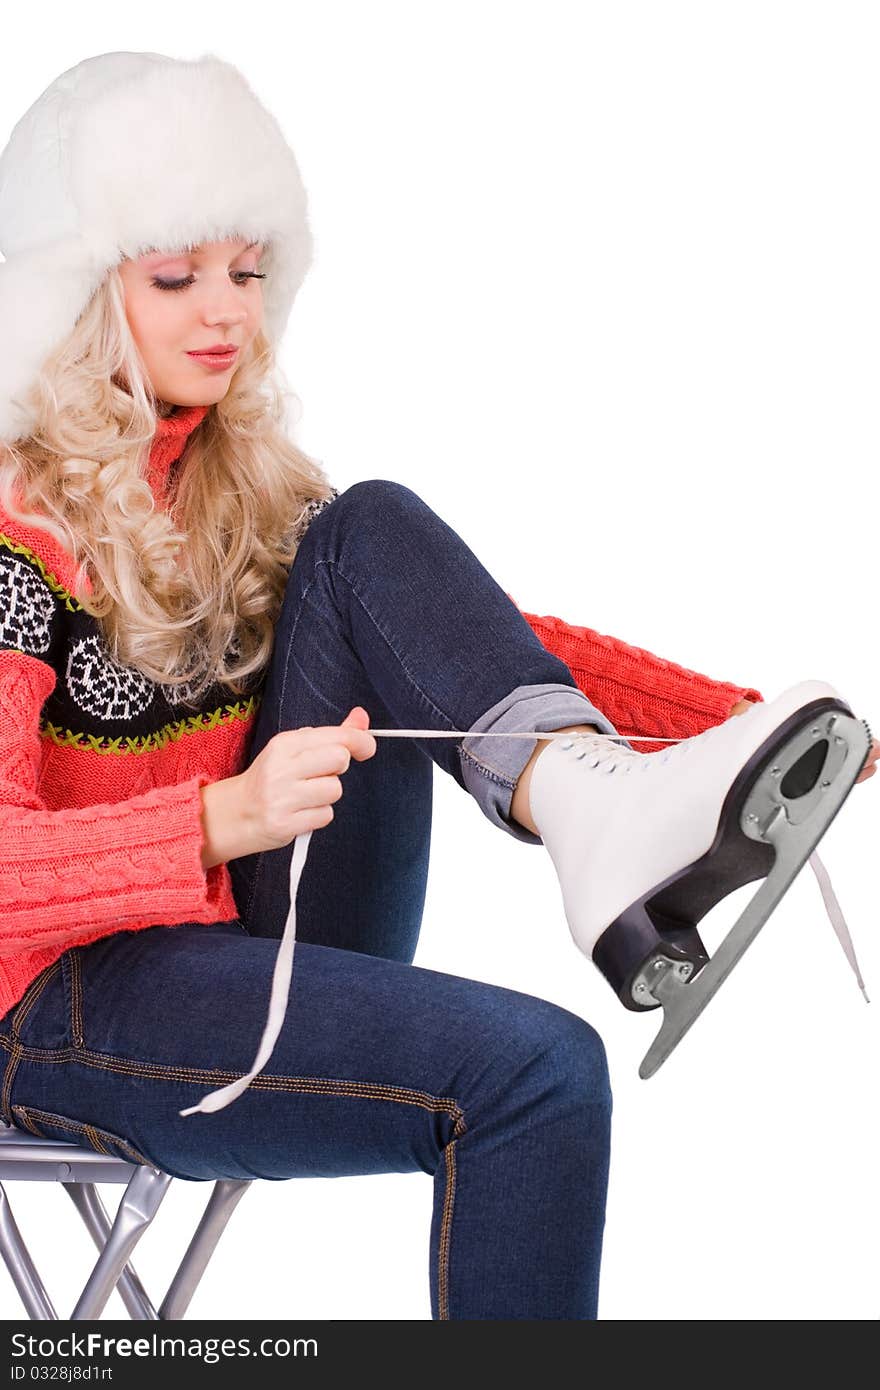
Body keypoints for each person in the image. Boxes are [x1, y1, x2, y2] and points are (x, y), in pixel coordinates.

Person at [0, 53, 875, 1322]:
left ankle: (592, 803)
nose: (227, 313)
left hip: (250, 939)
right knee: (539, 1070)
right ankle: (600, 819)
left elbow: (483, 640)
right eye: (176, 275)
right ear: (75, 289)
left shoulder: (248, 496)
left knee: (369, 528)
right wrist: (209, 824)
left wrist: (784, 736)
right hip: (59, 1000)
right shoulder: (14, 538)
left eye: (249, 273)